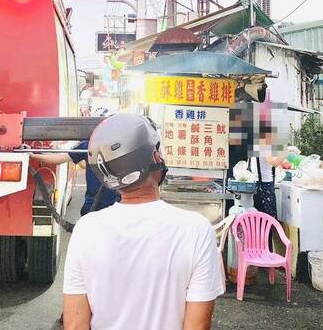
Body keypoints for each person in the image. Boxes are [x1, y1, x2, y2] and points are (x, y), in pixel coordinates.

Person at [63, 114, 225, 330]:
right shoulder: (197, 230)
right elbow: (198, 326)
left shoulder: (86, 230)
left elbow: (75, 325)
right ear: (156, 158)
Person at [31, 139, 120, 216]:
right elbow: (60, 158)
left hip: (104, 205)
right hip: (101, 205)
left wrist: (33, 155)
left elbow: (60, 158)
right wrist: (33, 155)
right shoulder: (89, 145)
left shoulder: (89, 144)